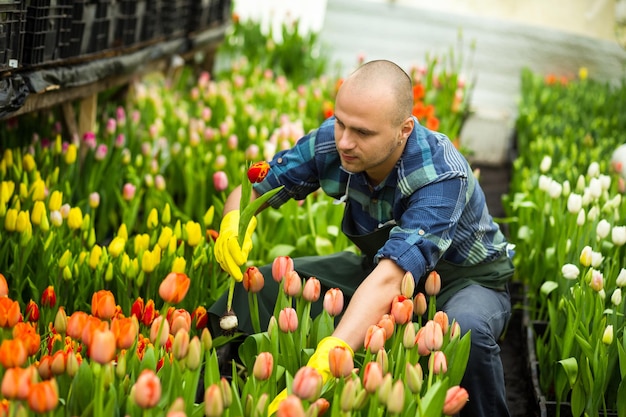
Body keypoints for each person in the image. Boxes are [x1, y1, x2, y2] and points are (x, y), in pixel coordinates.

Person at [210, 59, 514, 417]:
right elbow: (255, 187)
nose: (345, 142)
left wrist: (329, 355)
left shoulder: (441, 174)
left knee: (466, 332)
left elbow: (391, 277)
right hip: (381, 268)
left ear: (404, 130)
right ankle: (226, 389)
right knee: (257, 289)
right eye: (340, 123)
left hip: (464, 282)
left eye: (363, 133)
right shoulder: (335, 142)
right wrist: (235, 220)